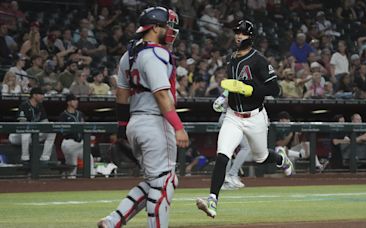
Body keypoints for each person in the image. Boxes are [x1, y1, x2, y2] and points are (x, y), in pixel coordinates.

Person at [97, 6, 189, 228]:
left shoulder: (128, 55)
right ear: (155, 26)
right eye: (167, 25)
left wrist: (122, 128)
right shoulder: (156, 53)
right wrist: (177, 126)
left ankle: (112, 222)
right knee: (165, 182)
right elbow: (161, 93)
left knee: (156, 181)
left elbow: (121, 94)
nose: (171, 30)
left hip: (136, 123)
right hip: (155, 121)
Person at [196, 20, 293, 219]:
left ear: (250, 37)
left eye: (243, 33)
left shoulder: (259, 60)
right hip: (233, 116)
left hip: (255, 116)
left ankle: (281, 159)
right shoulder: (231, 58)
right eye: (237, 33)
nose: (239, 36)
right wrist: (223, 97)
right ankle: (213, 199)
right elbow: (233, 84)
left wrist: (250, 90)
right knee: (222, 154)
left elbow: (275, 89)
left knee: (262, 157)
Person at [8, 87, 56, 162]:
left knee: (51, 132)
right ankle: (25, 158)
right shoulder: (24, 105)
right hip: (17, 136)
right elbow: (22, 124)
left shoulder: (40, 106)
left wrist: (48, 125)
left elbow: (45, 122)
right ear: (34, 95)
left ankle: (45, 158)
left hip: (33, 135)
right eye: (41, 94)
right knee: (26, 132)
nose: (43, 97)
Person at [58, 94, 96, 178]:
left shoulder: (80, 114)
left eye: (76, 100)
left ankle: (91, 179)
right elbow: (62, 131)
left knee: (89, 159)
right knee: (73, 165)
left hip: (80, 144)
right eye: (74, 100)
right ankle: (69, 182)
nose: (76, 102)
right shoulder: (63, 115)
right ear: (68, 102)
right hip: (69, 142)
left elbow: (85, 127)